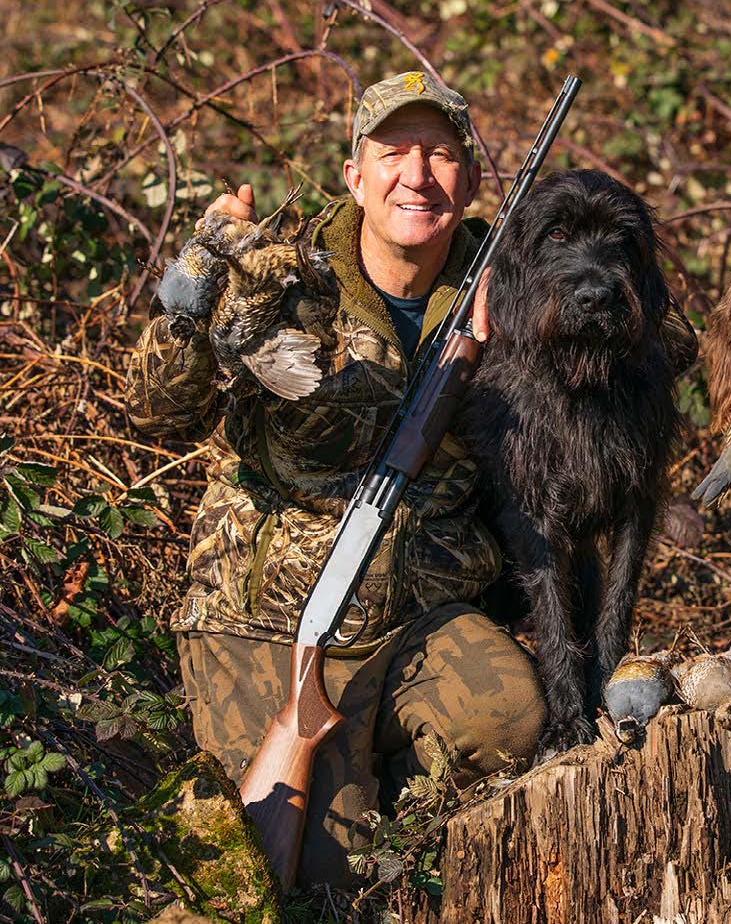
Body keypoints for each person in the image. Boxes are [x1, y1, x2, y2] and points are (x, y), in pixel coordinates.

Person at [125, 71, 547, 886]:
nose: (416, 176)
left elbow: (647, 330)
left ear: (470, 178)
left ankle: (372, 779)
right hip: (268, 622)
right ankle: (335, 767)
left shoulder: (503, 276)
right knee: (314, 877)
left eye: (440, 155)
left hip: (414, 618)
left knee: (513, 716)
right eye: (394, 152)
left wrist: (540, 308)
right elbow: (154, 410)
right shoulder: (284, 276)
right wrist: (195, 287)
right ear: (354, 175)